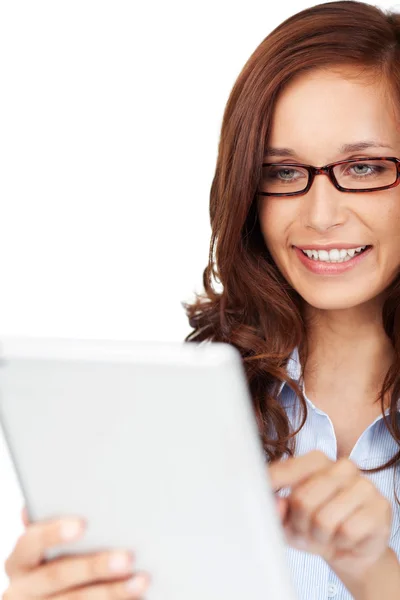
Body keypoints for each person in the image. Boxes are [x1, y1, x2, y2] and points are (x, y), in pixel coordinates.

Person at [3, 1, 400, 599]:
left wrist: (371, 570)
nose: (321, 215)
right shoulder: (173, 418)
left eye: (366, 167)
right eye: (283, 172)